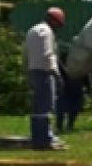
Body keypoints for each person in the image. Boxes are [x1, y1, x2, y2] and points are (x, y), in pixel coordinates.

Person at [25, 8, 66, 150]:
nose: (57, 28)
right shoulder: (47, 32)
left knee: (37, 106)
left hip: (33, 71)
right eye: (58, 24)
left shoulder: (32, 30)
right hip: (45, 72)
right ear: (53, 21)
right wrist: (57, 74)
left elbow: (26, 53)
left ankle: (37, 137)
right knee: (46, 106)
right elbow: (48, 55)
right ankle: (46, 139)